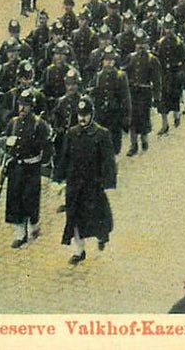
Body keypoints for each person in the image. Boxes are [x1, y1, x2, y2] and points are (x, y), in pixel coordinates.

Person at [56, 96, 116, 265]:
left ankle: (102, 236)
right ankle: (79, 250)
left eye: (86, 115)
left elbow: (108, 161)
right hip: (75, 185)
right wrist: (58, 179)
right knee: (73, 218)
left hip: (93, 185)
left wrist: (107, 181)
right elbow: (64, 157)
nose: (82, 118)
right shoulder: (72, 133)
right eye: (79, 115)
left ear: (92, 115)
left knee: (98, 216)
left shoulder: (102, 134)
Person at [1, 89, 53, 248]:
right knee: (15, 197)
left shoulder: (39, 124)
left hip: (31, 167)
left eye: (26, 105)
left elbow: (48, 145)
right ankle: (19, 233)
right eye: (20, 105)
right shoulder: (13, 122)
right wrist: (5, 148)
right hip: (16, 167)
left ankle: (33, 225)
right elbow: (6, 139)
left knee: (30, 198)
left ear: (32, 107)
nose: (22, 108)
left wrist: (43, 163)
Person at [125, 29, 162, 156]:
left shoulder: (152, 59)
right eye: (138, 43)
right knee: (132, 120)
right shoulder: (131, 57)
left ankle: (144, 141)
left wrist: (157, 97)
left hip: (145, 93)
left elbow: (157, 81)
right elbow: (126, 73)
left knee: (144, 118)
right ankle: (133, 144)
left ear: (147, 44)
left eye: (143, 43)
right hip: (133, 93)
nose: (140, 46)